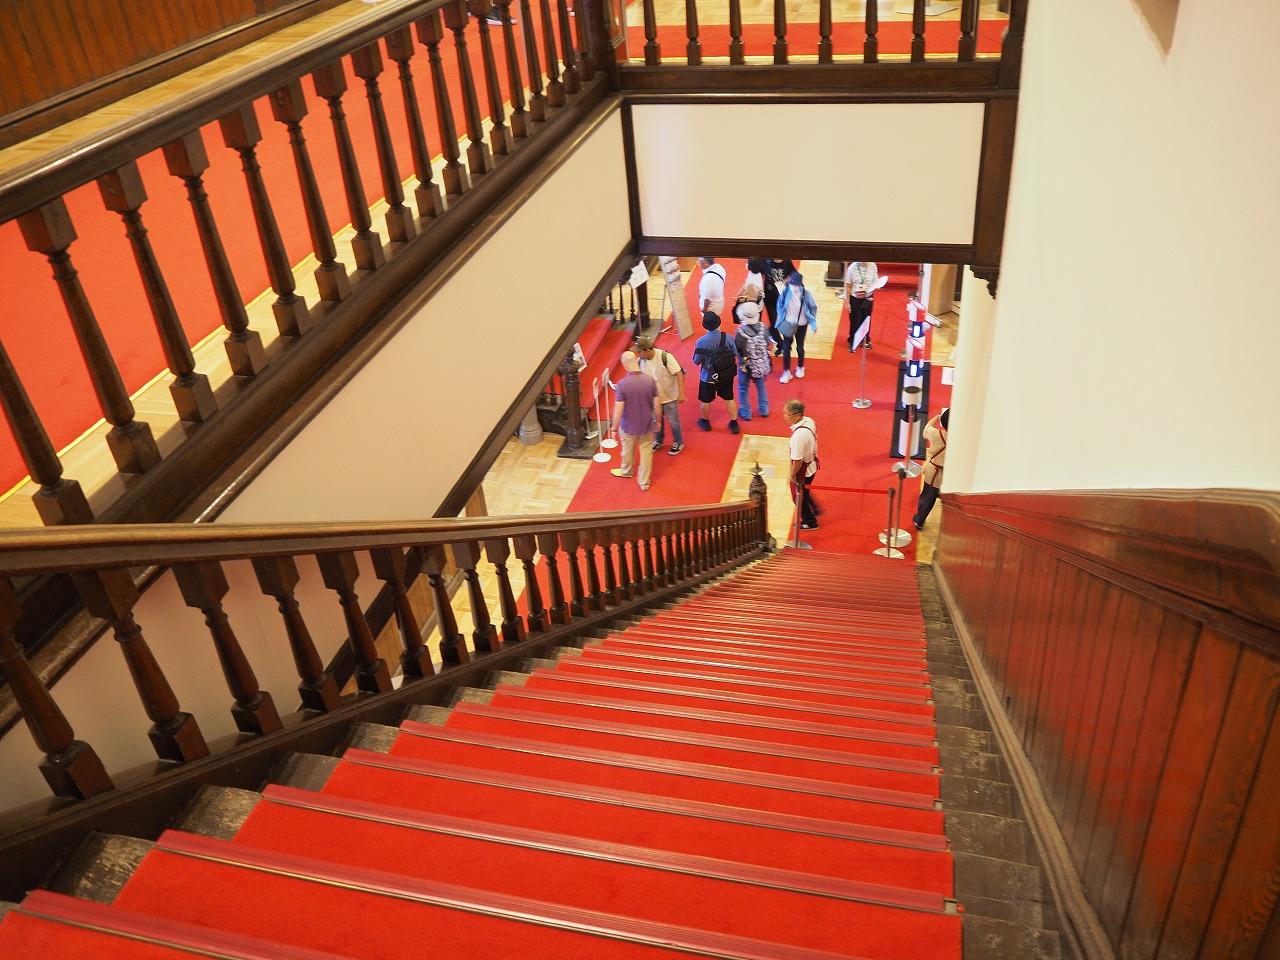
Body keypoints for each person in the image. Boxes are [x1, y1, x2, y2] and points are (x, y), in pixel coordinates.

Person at [609, 351, 660, 491]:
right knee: (646, 453)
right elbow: (657, 405)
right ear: (636, 360)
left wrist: (614, 428)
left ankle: (626, 471)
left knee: (627, 450)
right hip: (647, 424)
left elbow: (618, 409)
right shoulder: (650, 380)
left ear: (625, 365)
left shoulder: (622, 384)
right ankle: (644, 482)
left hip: (628, 426)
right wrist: (658, 421)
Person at [635, 337, 686, 456]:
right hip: (653, 399)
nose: (639, 355)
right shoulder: (640, 361)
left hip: (670, 396)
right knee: (656, 420)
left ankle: (678, 442)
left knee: (673, 421)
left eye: (640, 352)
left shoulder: (665, 357)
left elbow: (678, 373)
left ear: (647, 350)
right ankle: (658, 440)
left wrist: (681, 393)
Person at [691, 312, 740, 434]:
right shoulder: (727, 337)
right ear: (719, 322)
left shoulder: (701, 342)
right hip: (725, 375)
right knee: (729, 398)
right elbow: (734, 354)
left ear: (705, 325)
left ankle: (705, 422)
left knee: (705, 400)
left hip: (708, 377)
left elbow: (696, 361)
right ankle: (734, 423)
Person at [774, 271, 818, 383]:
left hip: (802, 324)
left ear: (800, 284)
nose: (794, 286)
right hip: (788, 324)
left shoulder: (806, 294)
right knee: (786, 348)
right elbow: (779, 305)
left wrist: (813, 323)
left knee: (800, 347)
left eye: (796, 284)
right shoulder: (785, 292)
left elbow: (813, 307)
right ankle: (786, 371)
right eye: (792, 284)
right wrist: (781, 318)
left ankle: (800, 366)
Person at [784, 399, 820, 530]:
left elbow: (797, 461)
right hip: (812, 465)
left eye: (788, 414)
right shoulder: (809, 421)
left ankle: (810, 522)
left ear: (798, 415)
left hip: (803, 471)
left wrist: (792, 475)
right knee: (805, 491)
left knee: (799, 497)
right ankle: (815, 508)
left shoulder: (798, 436)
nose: (785, 417)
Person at [733, 298, 771, 421]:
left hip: (745, 365)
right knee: (761, 386)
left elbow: (736, 349)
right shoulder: (764, 328)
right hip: (761, 364)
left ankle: (746, 412)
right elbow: (768, 343)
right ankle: (764, 409)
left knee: (743, 387)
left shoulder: (740, 332)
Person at [913, 407, 949, 530]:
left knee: (928, 496)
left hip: (934, 472)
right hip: (947, 473)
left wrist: (936, 417)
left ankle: (919, 520)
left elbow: (926, 429)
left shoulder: (937, 434)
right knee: (933, 495)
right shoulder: (958, 440)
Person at [760, 257, 797, 353]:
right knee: (773, 322)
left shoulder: (787, 262)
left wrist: (785, 281)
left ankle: (787, 343)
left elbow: (795, 274)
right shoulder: (767, 261)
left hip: (782, 296)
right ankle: (780, 344)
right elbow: (760, 272)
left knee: (783, 321)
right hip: (769, 296)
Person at [843, 261, 879, 350]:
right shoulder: (852, 267)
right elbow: (848, 285)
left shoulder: (873, 265)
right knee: (855, 320)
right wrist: (847, 301)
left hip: (868, 297)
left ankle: (865, 340)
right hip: (855, 298)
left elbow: (875, 281)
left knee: (866, 319)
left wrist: (877, 285)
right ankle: (853, 341)